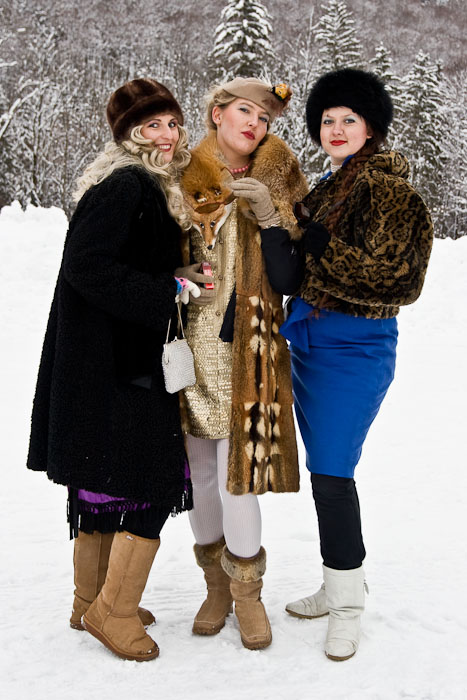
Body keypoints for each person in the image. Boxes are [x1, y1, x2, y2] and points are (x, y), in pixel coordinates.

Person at [260, 68, 433, 661]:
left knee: (334, 472)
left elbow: (400, 281)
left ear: (371, 126)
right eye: (327, 120)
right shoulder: (327, 187)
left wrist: (319, 247)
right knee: (322, 471)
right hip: (310, 341)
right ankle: (340, 582)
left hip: (356, 347)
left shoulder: (390, 192)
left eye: (348, 120)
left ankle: (348, 608)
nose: (335, 129)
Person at [27, 78, 200, 662]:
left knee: (102, 477)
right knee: (153, 481)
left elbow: (120, 260)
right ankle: (114, 611)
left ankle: (89, 599)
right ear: (129, 134)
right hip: (117, 363)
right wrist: (164, 291)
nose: (168, 135)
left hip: (106, 360)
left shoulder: (139, 184)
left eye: (172, 123)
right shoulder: (128, 184)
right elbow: (87, 265)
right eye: (153, 125)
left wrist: (173, 273)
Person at [176, 77, 308, 650]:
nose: (255, 124)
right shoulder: (180, 176)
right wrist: (175, 274)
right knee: (201, 473)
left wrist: (271, 217)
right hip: (190, 343)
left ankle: (248, 594)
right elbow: (151, 254)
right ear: (217, 113)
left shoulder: (281, 177)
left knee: (240, 477)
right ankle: (216, 588)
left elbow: (292, 277)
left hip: (250, 344)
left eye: (265, 118)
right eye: (245, 111)